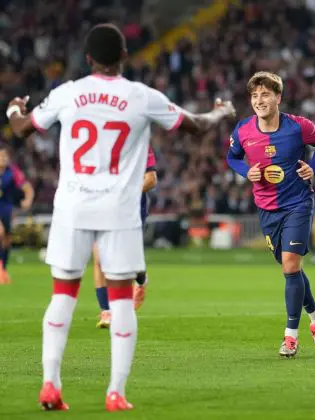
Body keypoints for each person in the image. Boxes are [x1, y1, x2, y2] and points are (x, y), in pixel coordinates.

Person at [6, 23, 234, 411]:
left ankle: (50, 384)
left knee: (62, 296)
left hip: (72, 208)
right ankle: (115, 392)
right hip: (118, 211)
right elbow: (195, 127)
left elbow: (23, 128)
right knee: (122, 302)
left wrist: (14, 107)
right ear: (125, 56)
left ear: (89, 57)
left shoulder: (69, 93)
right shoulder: (140, 96)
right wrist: (220, 112)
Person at [226, 71, 315, 357]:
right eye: (254, 96)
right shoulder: (243, 130)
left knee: (290, 266)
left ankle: (290, 337)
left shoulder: (298, 127)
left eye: (265, 94)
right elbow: (232, 157)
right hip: (266, 209)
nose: (259, 100)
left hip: (298, 203)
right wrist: (244, 171)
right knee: (292, 269)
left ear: (278, 97)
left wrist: (314, 168)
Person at [95, 146, 158, 328]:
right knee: (99, 258)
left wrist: (124, 192)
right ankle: (106, 311)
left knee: (127, 260)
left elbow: (151, 180)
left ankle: (141, 279)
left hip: (132, 208)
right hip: (103, 205)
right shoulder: (99, 142)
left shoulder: (140, 143)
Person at [0, 144, 34, 284]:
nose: (3, 158)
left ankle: (4, 268)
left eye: (5, 156)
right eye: (1, 156)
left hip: (6, 208)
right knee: (0, 233)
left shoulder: (13, 171)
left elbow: (27, 187)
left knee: (7, 239)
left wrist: (28, 199)